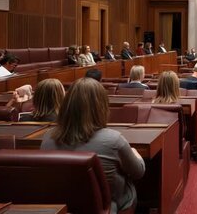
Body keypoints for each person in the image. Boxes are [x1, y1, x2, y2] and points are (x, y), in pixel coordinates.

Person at [41, 78, 145, 213]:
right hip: (106, 207)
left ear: (67, 105)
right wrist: (135, 153)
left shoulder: (48, 137)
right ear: (101, 106)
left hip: (64, 207)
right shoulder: (114, 139)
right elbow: (138, 172)